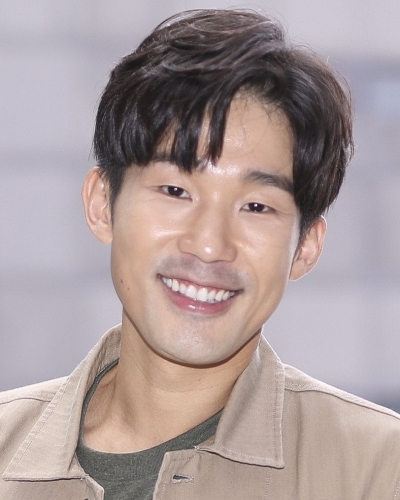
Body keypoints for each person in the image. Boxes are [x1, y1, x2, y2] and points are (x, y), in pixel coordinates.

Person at [1, 8, 399, 500]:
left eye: (256, 206)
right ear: (103, 204)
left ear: (306, 247)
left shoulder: (377, 471)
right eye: (175, 191)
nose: (209, 244)